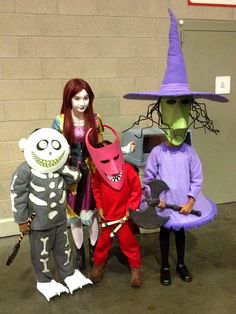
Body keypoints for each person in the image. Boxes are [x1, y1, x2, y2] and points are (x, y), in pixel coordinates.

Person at [123, 9, 228, 286]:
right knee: (165, 233)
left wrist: (191, 200)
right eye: (171, 105)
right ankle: (165, 267)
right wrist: (153, 196)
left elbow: (197, 178)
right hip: (164, 205)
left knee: (179, 234)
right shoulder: (157, 152)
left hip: (183, 204)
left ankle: (180, 263)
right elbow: (150, 178)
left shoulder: (190, 153)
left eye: (184, 104)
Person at [52, 78, 136, 271]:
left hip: (92, 173)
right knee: (74, 217)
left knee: (93, 214)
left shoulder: (96, 119)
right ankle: (79, 254)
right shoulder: (60, 121)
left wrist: (122, 150)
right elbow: (53, 149)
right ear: (68, 99)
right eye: (77, 98)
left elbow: (100, 148)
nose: (82, 103)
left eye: (86, 98)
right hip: (70, 175)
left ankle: (95, 252)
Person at [10, 128, 92, 301]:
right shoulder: (25, 170)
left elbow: (76, 177)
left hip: (60, 221)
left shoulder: (59, 167)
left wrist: (61, 166)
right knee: (41, 253)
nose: (49, 151)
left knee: (64, 249)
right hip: (38, 222)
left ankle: (69, 274)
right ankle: (44, 281)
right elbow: (17, 194)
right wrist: (21, 219)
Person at [85, 125, 142, 287]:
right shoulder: (98, 174)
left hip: (123, 217)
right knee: (102, 245)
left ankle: (135, 268)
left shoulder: (128, 169)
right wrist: (100, 207)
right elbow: (96, 189)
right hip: (107, 217)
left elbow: (136, 190)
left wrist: (130, 209)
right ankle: (98, 266)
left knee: (129, 244)